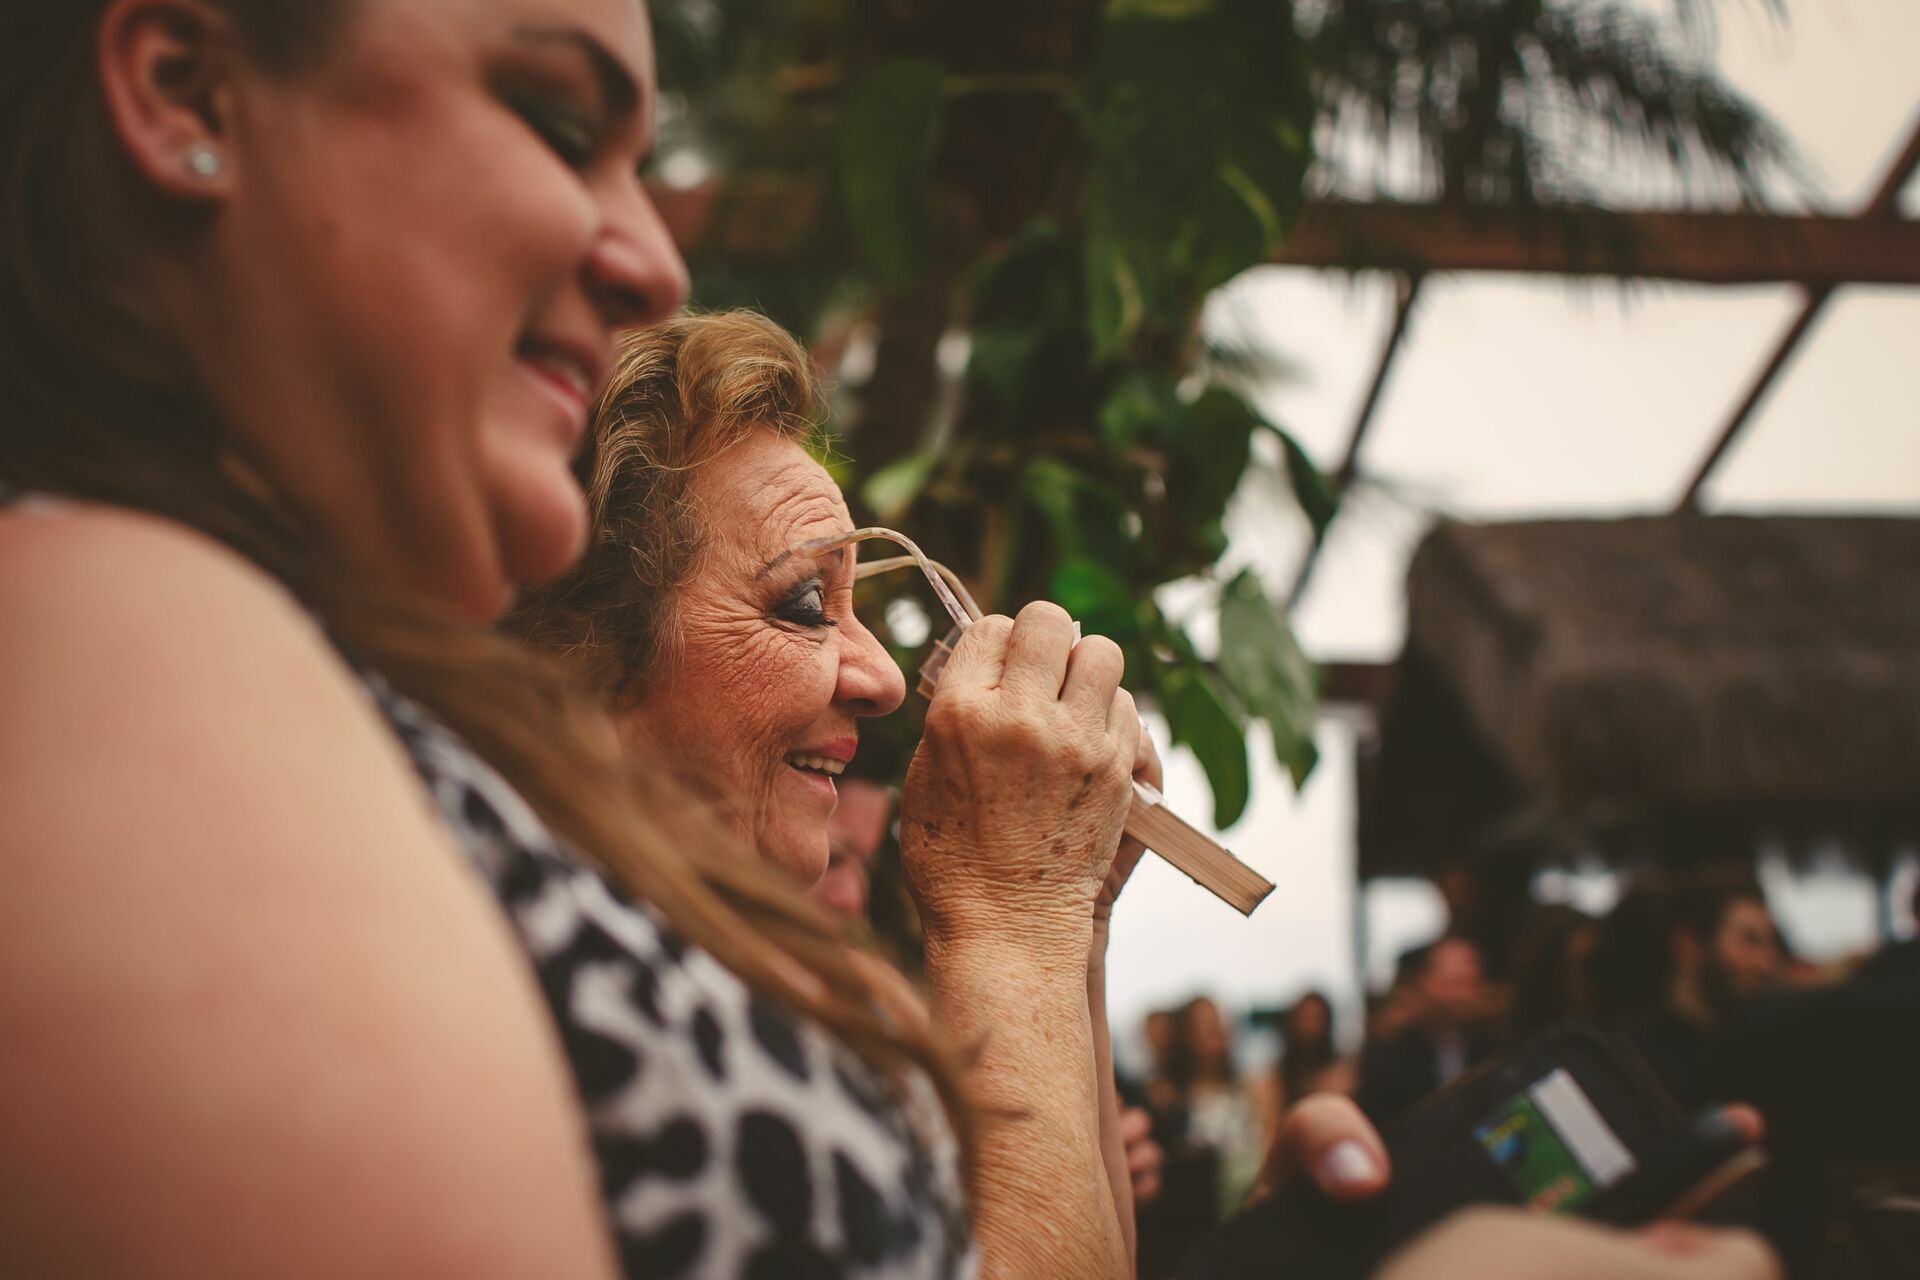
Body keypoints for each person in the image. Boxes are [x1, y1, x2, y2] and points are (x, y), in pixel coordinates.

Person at [0, 4, 1779, 1276]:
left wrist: (1050, 918)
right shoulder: (123, 664)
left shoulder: (325, 730)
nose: (642, 248)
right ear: (180, 83)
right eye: (556, 116)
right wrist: (1006, 919)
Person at [1355, 937, 1497, 1128]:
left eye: (1470, 983)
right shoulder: (1390, 1055)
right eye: (1453, 983)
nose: (1462, 995)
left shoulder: (1491, 1047)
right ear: (1425, 983)